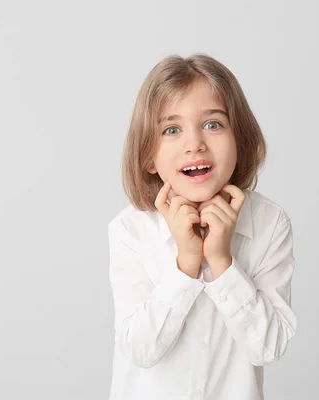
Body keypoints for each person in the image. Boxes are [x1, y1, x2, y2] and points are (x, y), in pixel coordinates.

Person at [107, 53, 297, 400]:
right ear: (148, 157)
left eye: (213, 124)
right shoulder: (131, 230)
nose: (194, 143)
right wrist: (186, 265)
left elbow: (268, 347)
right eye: (172, 129)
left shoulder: (269, 224)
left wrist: (223, 263)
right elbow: (139, 349)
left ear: (239, 138)